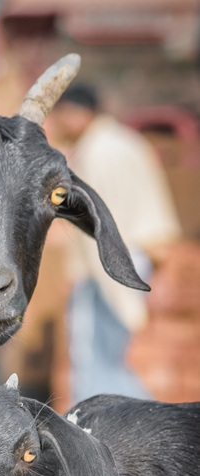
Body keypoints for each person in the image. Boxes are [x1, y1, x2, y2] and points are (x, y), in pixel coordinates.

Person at [46, 83, 181, 404]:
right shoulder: (126, 142)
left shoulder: (95, 153)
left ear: (75, 113)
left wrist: (87, 276)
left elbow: (98, 227)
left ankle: (135, 428)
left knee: (93, 360)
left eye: (60, 116)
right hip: (133, 258)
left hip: (108, 263)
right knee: (107, 358)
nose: (57, 126)